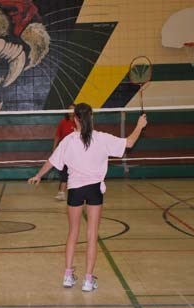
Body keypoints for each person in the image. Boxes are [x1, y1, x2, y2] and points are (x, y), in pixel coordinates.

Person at [28, 103, 147, 292]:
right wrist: (140, 125)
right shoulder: (101, 138)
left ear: (75, 118)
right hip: (93, 190)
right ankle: (88, 280)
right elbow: (129, 143)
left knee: (72, 233)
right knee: (92, 236)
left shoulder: (68, 140)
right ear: (91, 118)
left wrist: (38, 175)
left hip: (75, 190)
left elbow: (52, 160)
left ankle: (68, 276)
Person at [52, 104, 76, 201]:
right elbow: (57, 136)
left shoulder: (79, 122)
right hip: (64, 152)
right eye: (69, 109)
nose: (71, 111)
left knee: (74, 173)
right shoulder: (63, 122)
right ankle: (61, 193)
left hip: (76, 153)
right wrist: (54, 149)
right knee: (64, 172)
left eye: (73, 110)